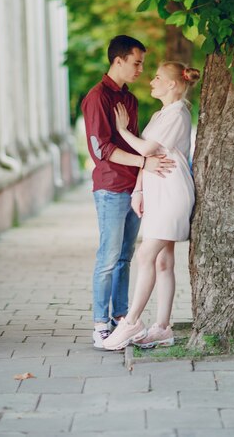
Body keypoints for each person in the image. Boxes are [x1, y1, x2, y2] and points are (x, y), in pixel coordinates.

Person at [81, 36, 176, 349]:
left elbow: (133, 140)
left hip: (132, 187)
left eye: (143, 64)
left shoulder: (130, 100)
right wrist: (144, 162)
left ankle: (122, 319)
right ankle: (99, 325)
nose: (141, 69)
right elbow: (102, 149)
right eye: (137, 63)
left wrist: (142, 177)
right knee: (108, 257)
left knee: (125, 257)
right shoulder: (97, 98)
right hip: (109, 187)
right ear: (118, 60)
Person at [103, 61, 200, 351]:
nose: (151, 82)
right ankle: (163, 328)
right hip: (158, 192)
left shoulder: (178, 113)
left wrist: (121, 130)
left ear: (172, 84)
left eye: (157, 78)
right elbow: (149, 159)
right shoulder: (161, 114)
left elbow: (145, 150)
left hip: (173, 192)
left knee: (145, 255)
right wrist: (138, 190)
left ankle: (131, 321)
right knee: (162, 261)